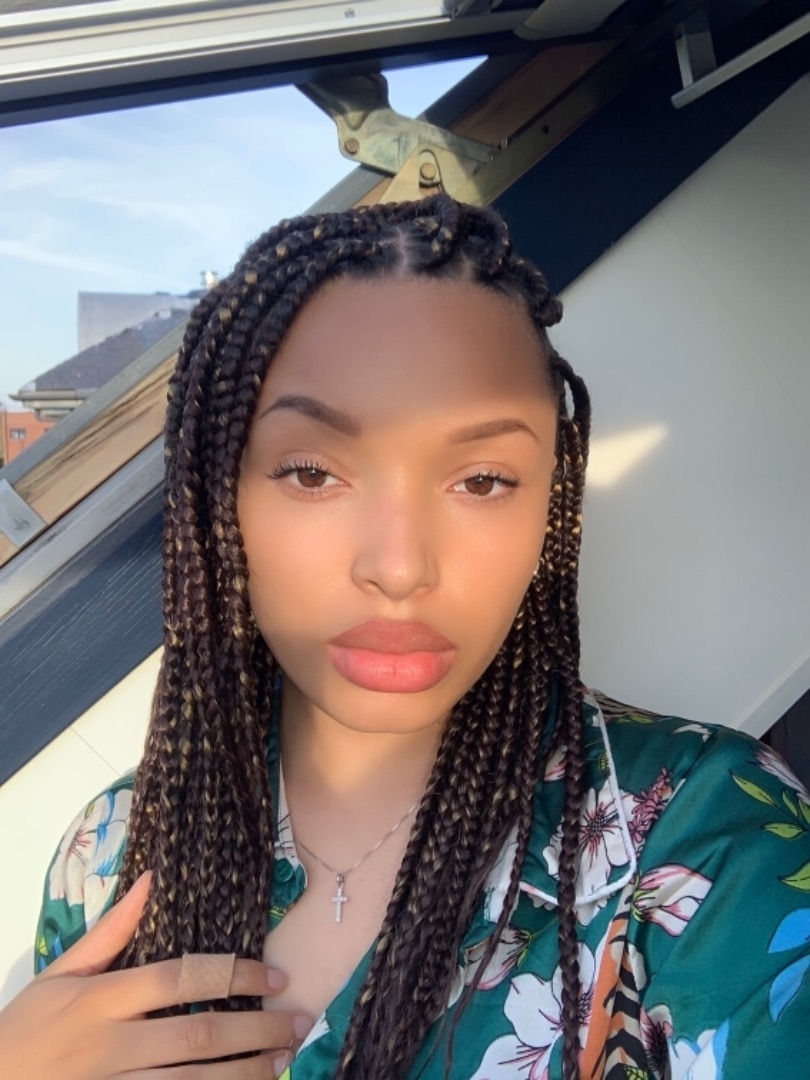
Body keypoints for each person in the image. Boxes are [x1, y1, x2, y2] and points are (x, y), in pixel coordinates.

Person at [2, 195, 809, 1080]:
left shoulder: (715, 846)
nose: (399, 567)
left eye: (483, 480)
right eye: (312, 472)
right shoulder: (108, 851)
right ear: (219, 501)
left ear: (549, 506)